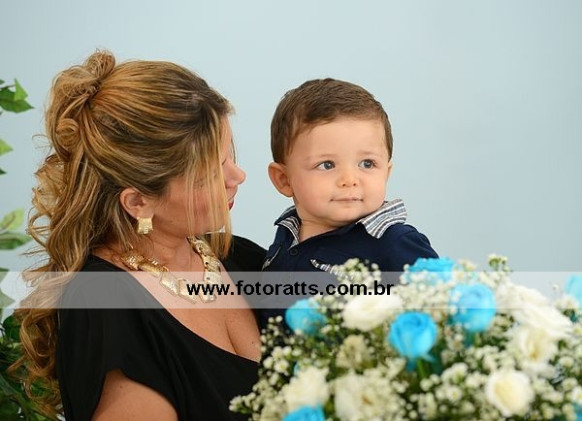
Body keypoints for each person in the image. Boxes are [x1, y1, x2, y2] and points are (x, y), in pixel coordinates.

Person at [14, 50, 265, 421]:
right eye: (211, 173)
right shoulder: (105, 307)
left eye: (229, 157)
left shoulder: (241, 257)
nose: (237, 176)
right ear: (139, 202)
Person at [260, 78, 438, 325]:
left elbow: (441, 313)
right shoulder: (286, 234)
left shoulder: (394, 242)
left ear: (386, 173)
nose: (349, 180)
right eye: (327, 165)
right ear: (284, 179)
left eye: (367, 163)